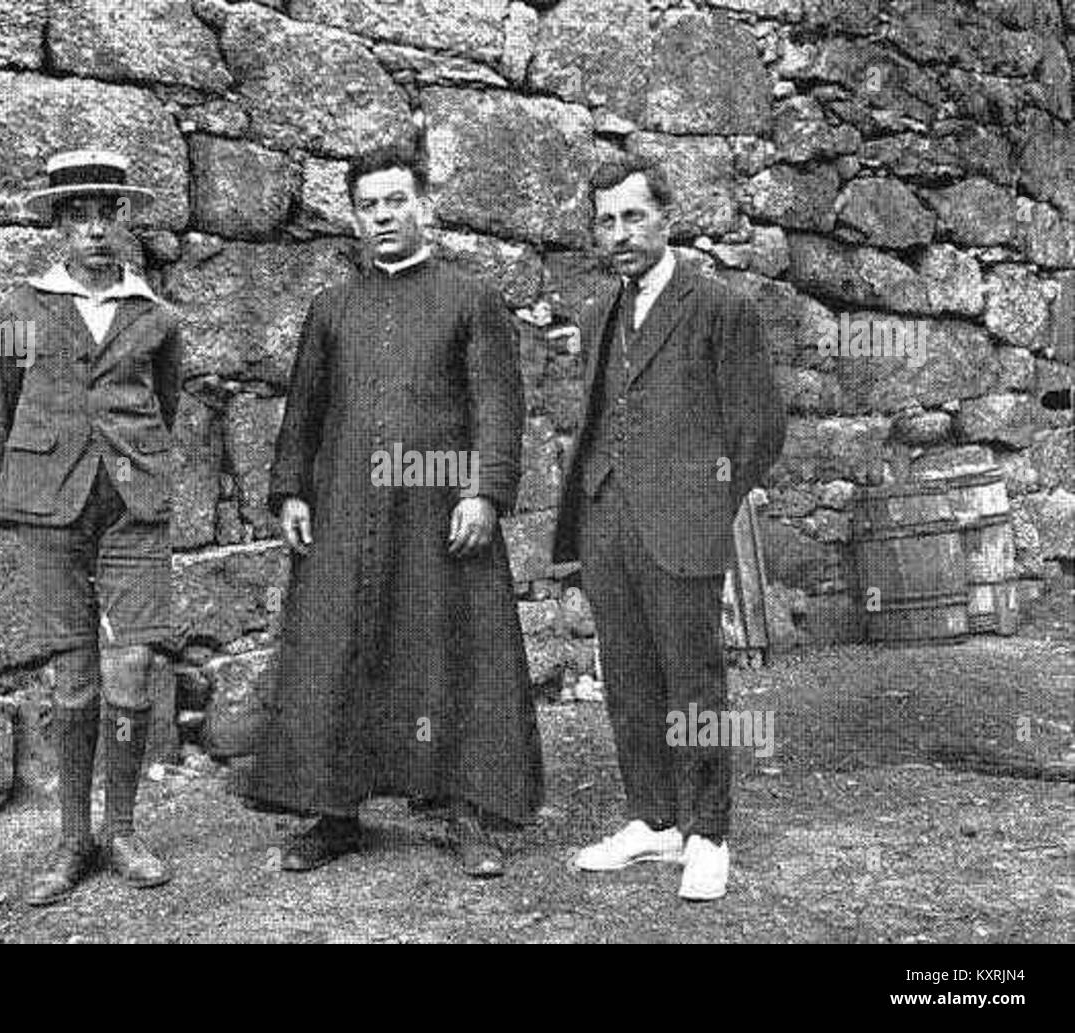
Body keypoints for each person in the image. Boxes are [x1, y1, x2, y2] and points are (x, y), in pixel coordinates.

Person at [247, 145, 544, 878]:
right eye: (368, 206)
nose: (383, 216)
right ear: (354, 217)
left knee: (454, 653)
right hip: (346, 508)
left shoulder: (469, 298)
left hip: (440, 512)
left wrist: (485, 491)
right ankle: (334, 812)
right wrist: (289, 489)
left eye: (395, 201)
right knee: (336, 651)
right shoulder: (332, 307)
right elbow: (304, 410)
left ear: (424, 206)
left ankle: (466, 812)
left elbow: (499, 405)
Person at [552, 154, 786, 901]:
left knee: (694, 683)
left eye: (633, 216)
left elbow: (761, 426)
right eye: (606, 221)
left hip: (683, 525)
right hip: (607, 520)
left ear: (667, 217)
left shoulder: (718, 307)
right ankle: (653, 817)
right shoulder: (600, 316)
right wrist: (591, 507)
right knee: (626, 676)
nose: (619, 234)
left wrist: (708, 504)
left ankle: (707, 832)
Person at [0, 150, 183, 905]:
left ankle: (122, 827)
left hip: (133, 502)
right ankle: (73, 838)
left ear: (125, 219)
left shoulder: (157, 316)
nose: (95, 230)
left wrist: (136, 465)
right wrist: (28, 477)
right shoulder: (19, 310)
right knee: (73, 672)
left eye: (108, 213)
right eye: (77, 215)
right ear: (57, 224)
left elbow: (168, 400)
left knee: (130, 664)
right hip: (49, 503)